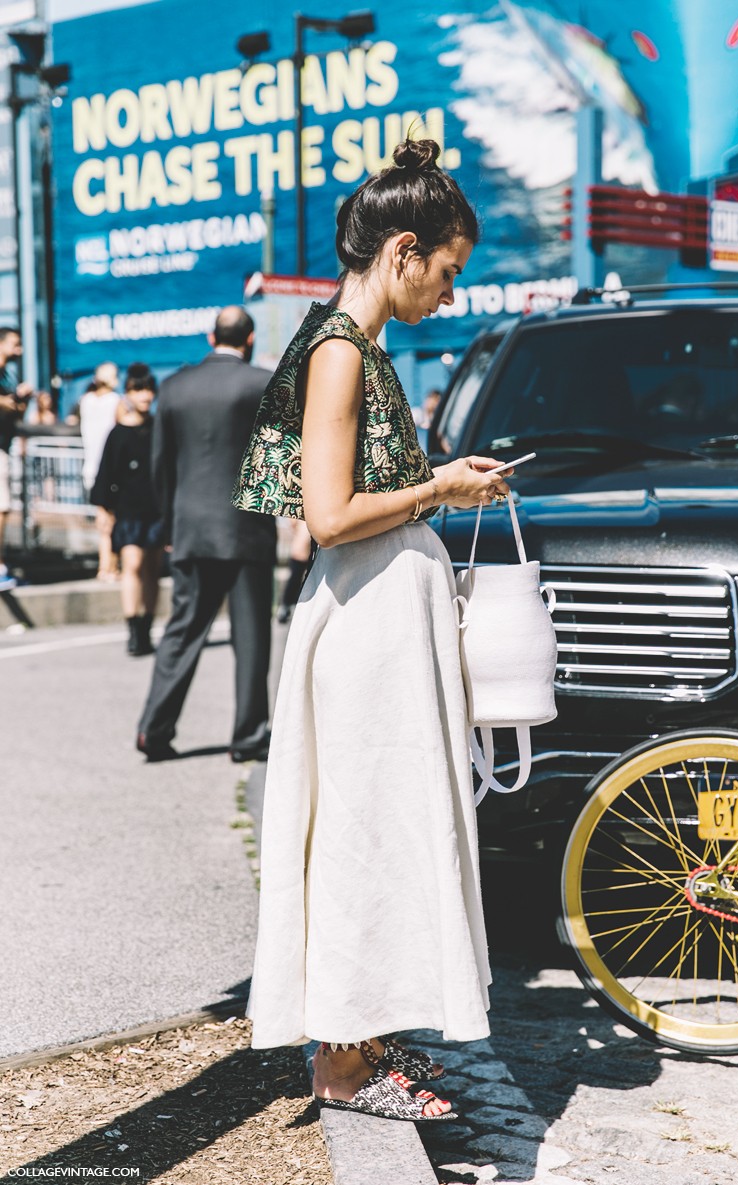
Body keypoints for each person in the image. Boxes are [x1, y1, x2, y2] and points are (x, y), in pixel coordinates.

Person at [232, 137, 512, 1122]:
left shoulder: (354, 348)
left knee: (381, 837)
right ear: (402, 250)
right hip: (364, 640)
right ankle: (343, 1069)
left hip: (380, 636)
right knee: (359, 840)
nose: (448, 291)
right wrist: (439, 484)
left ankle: (362, 1038)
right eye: (445, 271)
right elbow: (330, 513)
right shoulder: (340, 355)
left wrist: (439, 484)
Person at [136, 306, 276, 763]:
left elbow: (161, 466)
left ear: (209, 336)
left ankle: (153, 730)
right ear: (249, 339)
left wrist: (171, 522)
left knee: (182, 630)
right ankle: (249, 737)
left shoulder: (174, 387)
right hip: (246, 528)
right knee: (251, 636)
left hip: (191, 527)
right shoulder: (261, 383)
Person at [90, 370, 164, 657]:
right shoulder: (118, 433)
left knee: (152, 570)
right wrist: (103, 509)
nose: (144, 395)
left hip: (156, 508)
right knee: (132, 564)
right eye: (138, 390)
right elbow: (106, 473)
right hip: (129, 509)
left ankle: (146, 627)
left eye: (148, 390)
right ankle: (133, 629)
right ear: (128, 394)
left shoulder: (159, 428)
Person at [79, 362, 121, 581]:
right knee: (113, 520)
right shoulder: (114, 401)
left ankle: (105, 566)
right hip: (110, 467)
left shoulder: (86, 401)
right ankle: (110, 567)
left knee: (103, 519)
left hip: (90, 466)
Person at [0, 327, 34, 585]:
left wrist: (21, 401)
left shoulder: (7, 376)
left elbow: (16, 412)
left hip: (4, 444)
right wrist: (8, 401)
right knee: (1, 507)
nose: (19, 350)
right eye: (15, 343)